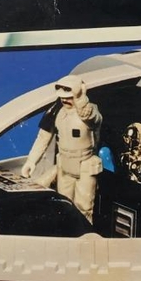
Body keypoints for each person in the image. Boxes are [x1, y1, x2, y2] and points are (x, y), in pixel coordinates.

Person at [20, 76, 104, 222]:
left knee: (84, 208)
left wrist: (80, 99)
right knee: (63, 204)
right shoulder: (56, 112)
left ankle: (84, 232)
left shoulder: (90, 111)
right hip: (65, 165)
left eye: (69, 96)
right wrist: (32, 161)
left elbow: (91, 118)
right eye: (62, 97)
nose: (65, 100)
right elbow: (43, 137)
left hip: (84, 166)